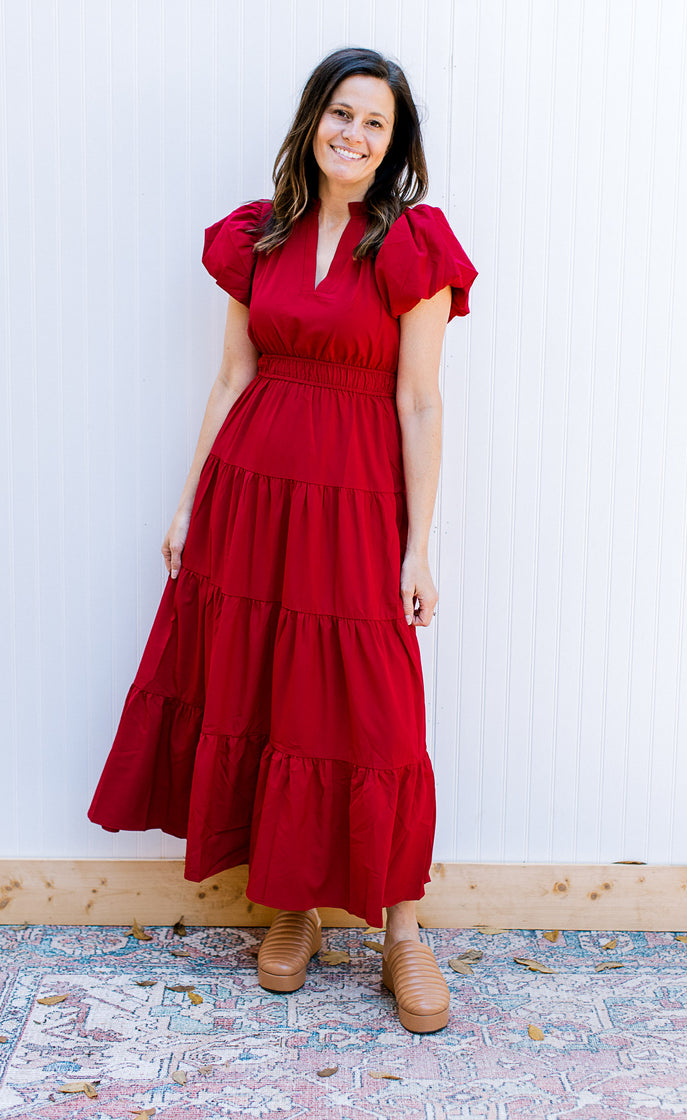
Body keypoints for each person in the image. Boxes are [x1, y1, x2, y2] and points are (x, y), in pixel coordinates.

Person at [87, 46, 477, 1034]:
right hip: (249, 496)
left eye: (374, 123)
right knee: (269, 689)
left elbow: (421, 402)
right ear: (313, 120)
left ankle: (400, 931)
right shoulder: (257, 239)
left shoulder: (413, 244)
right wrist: (186, 503)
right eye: (339, 113)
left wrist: (416, 545)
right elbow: (229, 377)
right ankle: (293, 908)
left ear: (395, 145)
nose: (353, 133)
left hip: (352, 503)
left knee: (375, 707)